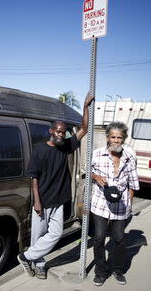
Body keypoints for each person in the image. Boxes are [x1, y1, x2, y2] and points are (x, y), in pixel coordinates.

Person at [17, 92, 94, 279]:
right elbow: (33, 177)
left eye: (63, 132)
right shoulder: (40, 151)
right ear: (51, 131)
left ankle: (25, 257)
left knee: (55, 234)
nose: (61, 134)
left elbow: (84, 128)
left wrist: (85, 106)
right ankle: (40, 264)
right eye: (58, 131)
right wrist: (37, 201)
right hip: (42, 201)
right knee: (38, 236)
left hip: (58, 200)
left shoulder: (65, 146)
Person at [90, 121, 139, 286]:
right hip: (100, 203)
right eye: (113, 137)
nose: (116, 140)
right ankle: (100, 272)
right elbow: (87, 171)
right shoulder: (97, 154)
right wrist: (96, 177)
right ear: (107, 138)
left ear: (123, 138)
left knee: (119, 239)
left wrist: (129, 203)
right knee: (99, 238)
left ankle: (117, 270)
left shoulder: (129, 157)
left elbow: (133, 183)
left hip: (121, 206)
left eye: (119, 137)